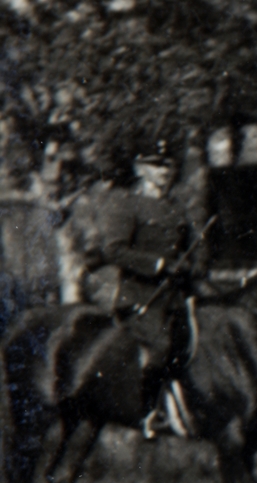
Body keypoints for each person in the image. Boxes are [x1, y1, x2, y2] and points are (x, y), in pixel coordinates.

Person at [81, 141, 201, 438]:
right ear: (140, 168)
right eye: (156, 165)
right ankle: (148, 414)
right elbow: (115, 250)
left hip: (175, 297)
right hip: (140, 298)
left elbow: (189, 248)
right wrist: (159, 265)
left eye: (168, 165)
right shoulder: (125, 204)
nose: (164, 172)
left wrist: (193, 267)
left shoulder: (175, 208)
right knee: (159, 347)